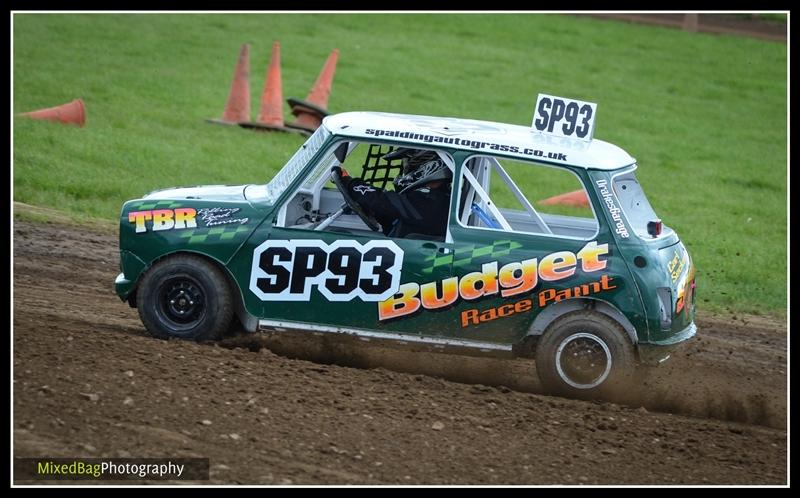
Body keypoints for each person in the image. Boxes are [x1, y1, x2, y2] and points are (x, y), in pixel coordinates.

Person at [340, 148, 452, 239]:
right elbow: (389, 211)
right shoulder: (443, 199)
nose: (405, 170)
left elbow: (381, 201)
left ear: (427, 167)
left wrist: (349, 182)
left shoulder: (429, 201)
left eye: (409, 166)